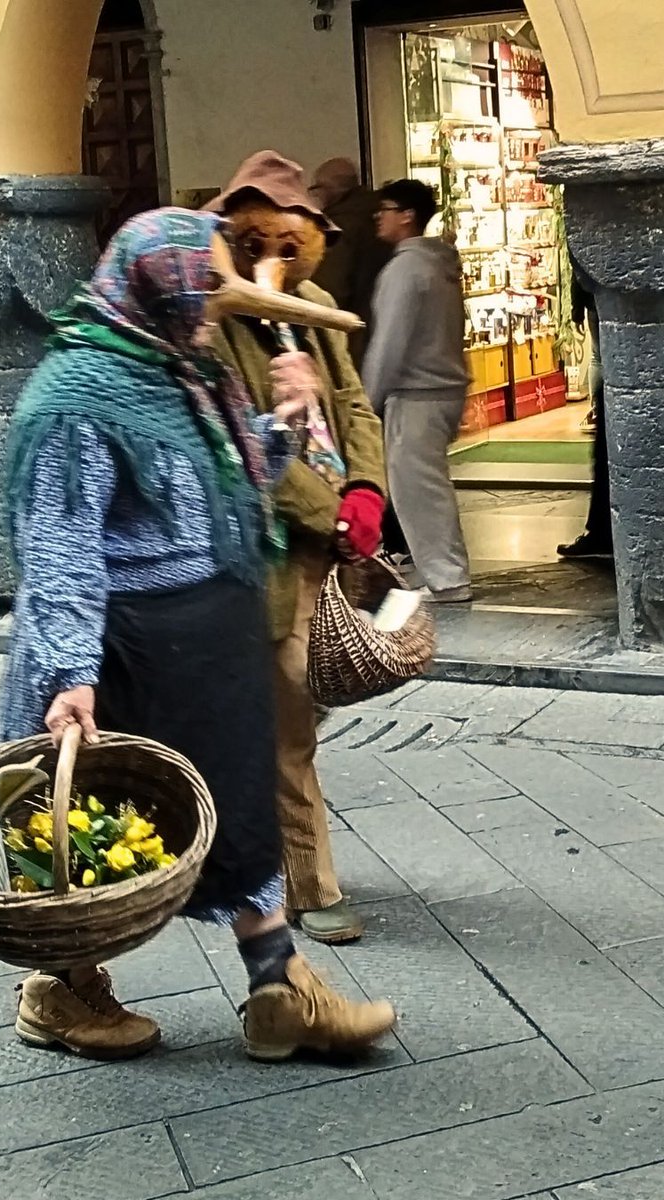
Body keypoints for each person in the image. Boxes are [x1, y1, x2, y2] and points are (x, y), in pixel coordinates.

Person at [0, 207, 396, 1062]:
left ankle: (280, 990)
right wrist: (71, 671)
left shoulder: (187, 370)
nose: (225, 298)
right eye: (210, 281)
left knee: (242, 810)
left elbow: (228, 475)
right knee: (103, 825)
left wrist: (288, 423)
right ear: (160, 283)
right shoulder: (73, 398)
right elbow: (60, 543)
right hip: (129, 650)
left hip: (212, 639)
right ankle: (60, 990)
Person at [208, 151, 387, 945]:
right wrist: (332, 514)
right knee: (288, 720)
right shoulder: (215, 323)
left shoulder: (314, 303)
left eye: (289, 243)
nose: (273, 259)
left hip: (329, 540)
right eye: (258, 243)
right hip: (273, 548)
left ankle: (244, 853)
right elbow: (245, 453)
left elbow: (352, 402)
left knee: (297, 706)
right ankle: (309, 884)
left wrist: (368, 492)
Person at [362, 179, 472, 603]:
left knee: (418, 489)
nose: (378, 217)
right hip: (441, 387)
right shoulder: (439, 264)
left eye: (385, 209)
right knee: (423, 485)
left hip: (418, 391)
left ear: (407, 215)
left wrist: (368, 397)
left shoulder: (407, 268)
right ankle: (443, 573)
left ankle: (447, 577)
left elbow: (390, 340)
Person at [308, 157, 391, 370]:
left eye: (315, 188)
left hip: (356, 337)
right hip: (388, 330)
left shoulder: (339, 228)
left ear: (329, 190)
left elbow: (331, 291)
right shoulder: (382, 217)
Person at [557, 266, 612, 559]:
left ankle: (601, 533)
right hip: (603, 302)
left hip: (598, 301)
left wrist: (578, 306)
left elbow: (579, 265)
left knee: (599, 358)